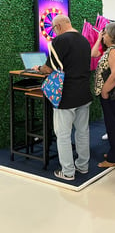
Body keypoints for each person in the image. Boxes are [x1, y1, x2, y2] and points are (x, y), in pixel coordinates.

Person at [35, 15, 92, 181]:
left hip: (65, 95)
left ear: (58, 26)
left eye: (53, 29)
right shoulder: (84, 40)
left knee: (63, 135)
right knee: (82, 132)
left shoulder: (60, 41)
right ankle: (83, 166)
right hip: (83, 93)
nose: (54, 32)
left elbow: (49, 68)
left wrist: (38, 68)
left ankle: (67, 172)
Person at [94, 22, 115, 168]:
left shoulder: (114, 50)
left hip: (112, 94)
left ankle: (114, 159)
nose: (104, 37)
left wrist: (104, 90)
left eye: (106, 34)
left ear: (112, 35)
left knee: (113, 125)